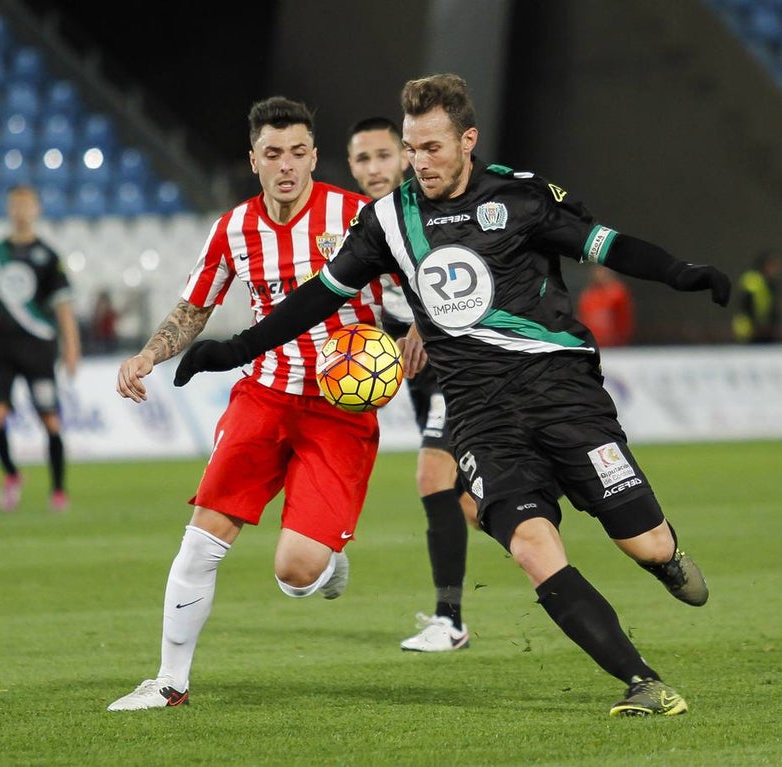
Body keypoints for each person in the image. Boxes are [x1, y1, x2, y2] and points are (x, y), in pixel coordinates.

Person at [176, 74, 732, 717]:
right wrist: (235, 349)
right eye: (411, 148)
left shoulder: (520, 197)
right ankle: (643, 682)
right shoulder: (388, 219)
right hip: (479, 414)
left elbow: (605, 244)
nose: (420, 162)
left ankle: (666, 559)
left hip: (561, 394)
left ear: (467, 141)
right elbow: (318, 296)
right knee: (530, 543)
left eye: (432, 147)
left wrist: (681, 273)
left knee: (645, 543)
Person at [108, 96, 387, 711]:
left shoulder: (356, 215)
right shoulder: (234, 228)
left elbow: (412, 284)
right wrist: (149, 356)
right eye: (272, 154)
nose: (285, 165)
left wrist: (415, 331)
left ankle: (325, 557)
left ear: (314, 155)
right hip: (262, 394)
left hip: (340, 406)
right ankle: (169, 682)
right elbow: (195, 306)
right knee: (201, 538)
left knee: (295, 573)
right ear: (253, 160)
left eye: (296, 153)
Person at [347, 116, 477, 652]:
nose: (374, 168)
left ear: (403, 156)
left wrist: (424, 323)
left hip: (458, 359)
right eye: (362, 159)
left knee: (432, 477)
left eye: (383, 155)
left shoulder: (427, 210)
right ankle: (544, 546)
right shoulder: (363, 220)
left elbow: (461, 268)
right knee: (471, 506)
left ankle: (450, 620)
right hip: (418, 368)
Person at [0, 184, 81, 513]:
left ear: (36, 210)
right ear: (8, 209)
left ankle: (58, 490)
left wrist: (72, 348)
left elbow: (63, 306)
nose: (20, 210)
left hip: (38, 347)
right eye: (15, 204)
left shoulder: (48, 256)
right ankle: (12, 474)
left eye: (26, 205)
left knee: (50, 421)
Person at [577, 264, 635, 347]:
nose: (600, 274)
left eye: (604, 270)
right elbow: (584, 319)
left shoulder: (618, 293)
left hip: (616, 345)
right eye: (598, 271)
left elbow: (625, 320)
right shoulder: (588, 295)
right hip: (594, 344)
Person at [731, 250, 782, 344]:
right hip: (749, 329)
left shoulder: (769, 283)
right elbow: (746, 304)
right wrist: (757, 325)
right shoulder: (753, 280)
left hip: (762, 329)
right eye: (773, 266)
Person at [88, 288, 120, 354]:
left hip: (110, 339)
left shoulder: (110, 312)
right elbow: (95, 325)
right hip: (99, 339)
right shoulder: (97, 312)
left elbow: (116, 318)